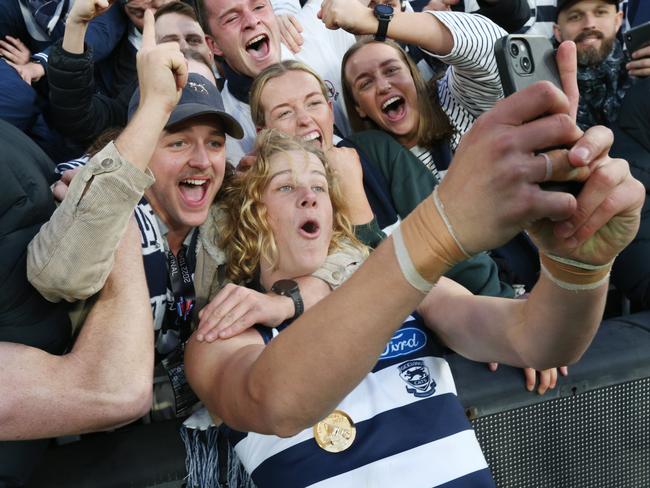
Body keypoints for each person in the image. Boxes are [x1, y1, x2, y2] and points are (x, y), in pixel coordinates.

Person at [184, 112, 643, 486]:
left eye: (320, 188)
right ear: (250, 214)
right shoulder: (224, 335)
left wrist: (578, 270)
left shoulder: (408, 289)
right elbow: (278, 405)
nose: (308, 196)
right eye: (285, 186)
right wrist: (440, 224)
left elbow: (535, 340)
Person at [28, 10, 352, 423]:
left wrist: (284, 303)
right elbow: (57, 275)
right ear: (142, 140)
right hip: (93, 449)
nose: (202, 161)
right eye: (178, 143)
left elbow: (349, 255)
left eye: (215, 143)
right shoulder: (91, 188)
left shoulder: (229, 207)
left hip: (192, 430)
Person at [324, 1, 506, 175]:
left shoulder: (455, 102)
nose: (383, 86)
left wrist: (373, 20)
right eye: (366, 83)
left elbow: (494, 46)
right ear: (359, 108)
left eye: (391, 70)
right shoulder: (365, 172)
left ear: (413, 74)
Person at [198, 0, 355, 164]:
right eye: (232, 18)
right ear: (213, 45)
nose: (252, 21)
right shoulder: (225, 133)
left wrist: (376, 23)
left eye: (259, 7)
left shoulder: (318, 23)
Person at [553, 0, 650, 129]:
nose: (589, 24)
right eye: (575, 17)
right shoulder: (545, 89)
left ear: (617, 21)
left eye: (600, 12)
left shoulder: (640, 73)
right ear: (558, 32)